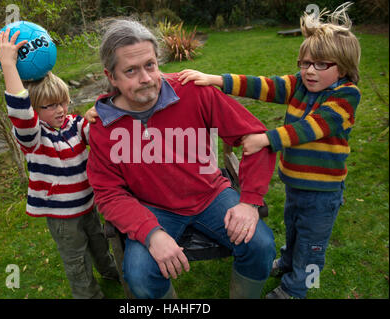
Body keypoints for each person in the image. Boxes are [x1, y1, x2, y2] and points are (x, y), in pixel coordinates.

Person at [178, 2, 361, 299]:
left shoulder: (346, 96)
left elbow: (314, 127)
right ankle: (288, 263)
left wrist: (267, 139)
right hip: (296, 185)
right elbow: (260, 85)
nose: (309, 71)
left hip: (323, 193)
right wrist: (215, 80)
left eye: (320, 64)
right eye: (304, 63)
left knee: (313, 247)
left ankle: (300, 288)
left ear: (343, 66)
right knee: (294, 232)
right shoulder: (300, 85)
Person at [85, 19, 277, 299]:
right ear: (111, 76)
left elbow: (256, 138)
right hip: (152, 208)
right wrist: (151, 234)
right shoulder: (103, 126)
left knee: (260, 245)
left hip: (211, 194)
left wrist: (249, 201)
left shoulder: (193, 91)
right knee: (139, 274)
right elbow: (108, 192)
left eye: (150, 65)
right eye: (131, 71)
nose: (147, 78)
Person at [0, 28, 118, 299]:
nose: (60, 109)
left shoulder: (74, 124)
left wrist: (98, 115)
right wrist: (8, 65)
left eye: (62, 102)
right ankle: (89, 295)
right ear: (36, 111)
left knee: (99, 244)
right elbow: (20, 111)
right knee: (77, 262)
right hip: (62, 218)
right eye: (50, 106)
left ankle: (111, 272)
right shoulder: (34, 137)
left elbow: (94, 132)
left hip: (87, 205)